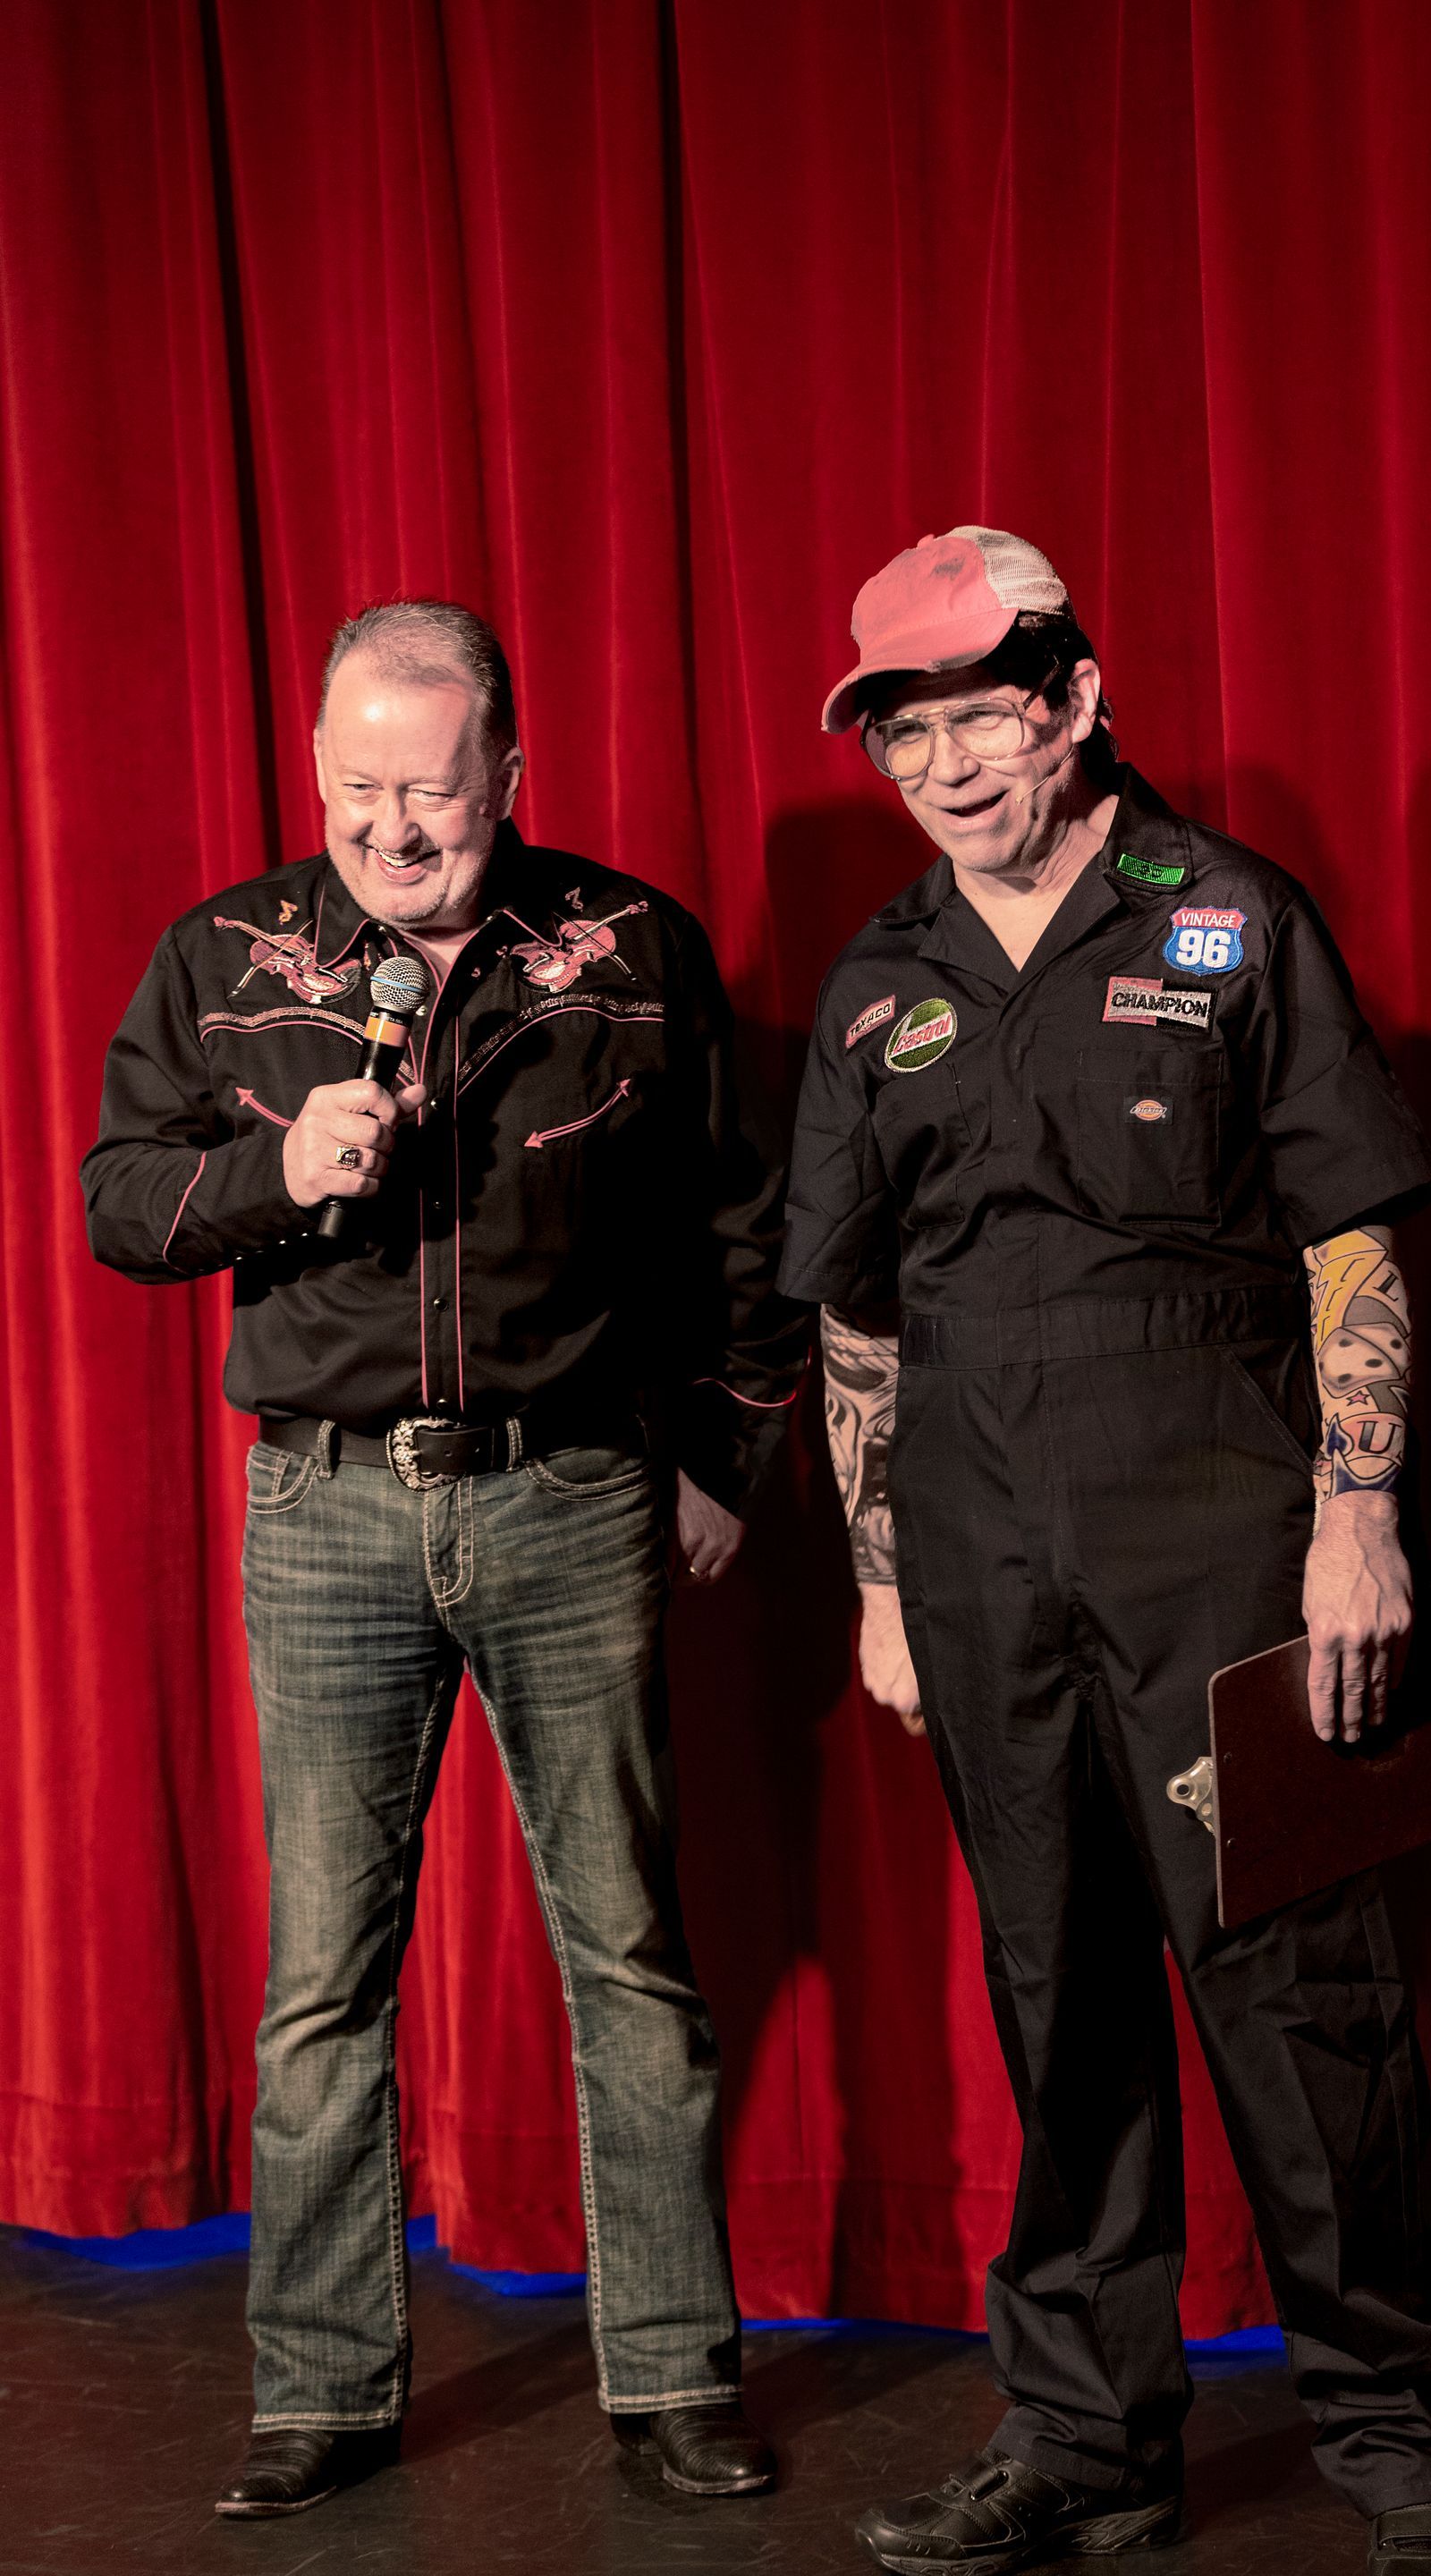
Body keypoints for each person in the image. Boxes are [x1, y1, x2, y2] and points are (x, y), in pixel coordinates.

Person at [783, 529, 1431, 2576]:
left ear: (1081, 702)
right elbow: (855, 1314)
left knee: (1303, 1992)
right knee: (1057, 1989)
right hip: (973, 1544)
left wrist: (1359, 1521)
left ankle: (1406, 2443)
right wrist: (879, 1579)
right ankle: (1090, 2437)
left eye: (980, 720)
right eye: (904, 735)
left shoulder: (1230, 920)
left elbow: (1351, 1235)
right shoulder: (877, 982)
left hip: (1222, 1521)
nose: (943, 767)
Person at [82, 599, 804, 2518]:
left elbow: (739, 1219)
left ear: (510, 776)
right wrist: (272, 1172)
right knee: (324, 1975)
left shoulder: (632, 947)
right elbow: (116, 1204)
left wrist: (723, 1449)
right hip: (325, 1508)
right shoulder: (223, 959)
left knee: (630, 1955)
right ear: (319, 773)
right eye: (359, 788)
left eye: (435, 790)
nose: (394, 827)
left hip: (573, 1495)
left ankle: (674, 2376)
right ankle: (319, 2392)